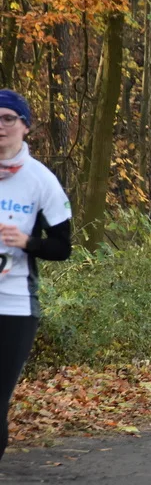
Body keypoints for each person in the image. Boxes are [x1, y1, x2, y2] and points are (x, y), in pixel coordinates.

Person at [0, 90, 72, 464]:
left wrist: (27, 241)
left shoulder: (41, 180)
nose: (1, 127)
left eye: (9, 119)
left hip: (14, 304)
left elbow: (63, 246)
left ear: (25, 127)